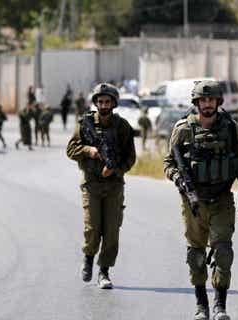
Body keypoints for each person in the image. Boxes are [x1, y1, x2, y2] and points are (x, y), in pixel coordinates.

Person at [163, 80, 238, 320]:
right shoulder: (183, 129)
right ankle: (201, 304)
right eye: (203, 100)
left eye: (211, 100)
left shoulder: (230, 128)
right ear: (196, 102)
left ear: (218, 102)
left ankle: (220, 305)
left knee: (223, 251)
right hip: (193, 202)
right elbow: (169, 162)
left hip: (222, 198)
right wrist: (178, 179)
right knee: (196, 253)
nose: (207, 104)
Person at [66, 83, 136, 289]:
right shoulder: (85, 124)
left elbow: (130, 158)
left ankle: (104, 271)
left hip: (114, 185)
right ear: (96, 103)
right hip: (92, 184)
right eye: (100, 101)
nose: (104, 105)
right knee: (93, 226)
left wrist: (114, 169)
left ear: (113, 103)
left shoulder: (122, 127)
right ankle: (88, 258)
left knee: (112, 230)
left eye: (108, 102)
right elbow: (71, 149)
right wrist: (89, 150)